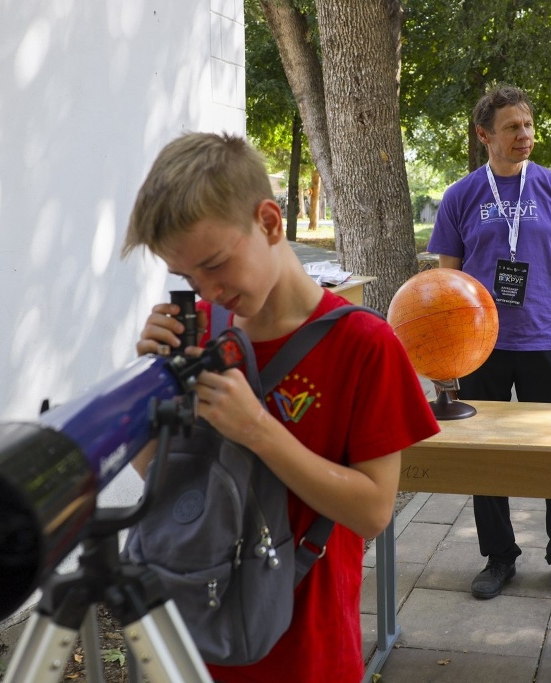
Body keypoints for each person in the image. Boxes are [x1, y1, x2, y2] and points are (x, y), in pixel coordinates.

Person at [120, 131, 440, 682]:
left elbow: (372, 511)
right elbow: (161, 477)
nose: (206, 290)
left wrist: (257, 429)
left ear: (269, 222)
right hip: (198, 639)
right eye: (188, 277)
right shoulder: (200, 331)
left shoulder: (364, 345)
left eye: (215, 264)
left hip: (307, 651)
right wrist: (151, 387)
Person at [426, 85, 551, 604]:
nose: (525, 135)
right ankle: (499, 557)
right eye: (512, 127)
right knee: (486, 457)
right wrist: (446, 360)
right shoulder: (461, 197)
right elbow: (446, 288)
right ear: (484, 135)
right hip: (483, 348)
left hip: (547, 340)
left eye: (528, 125)